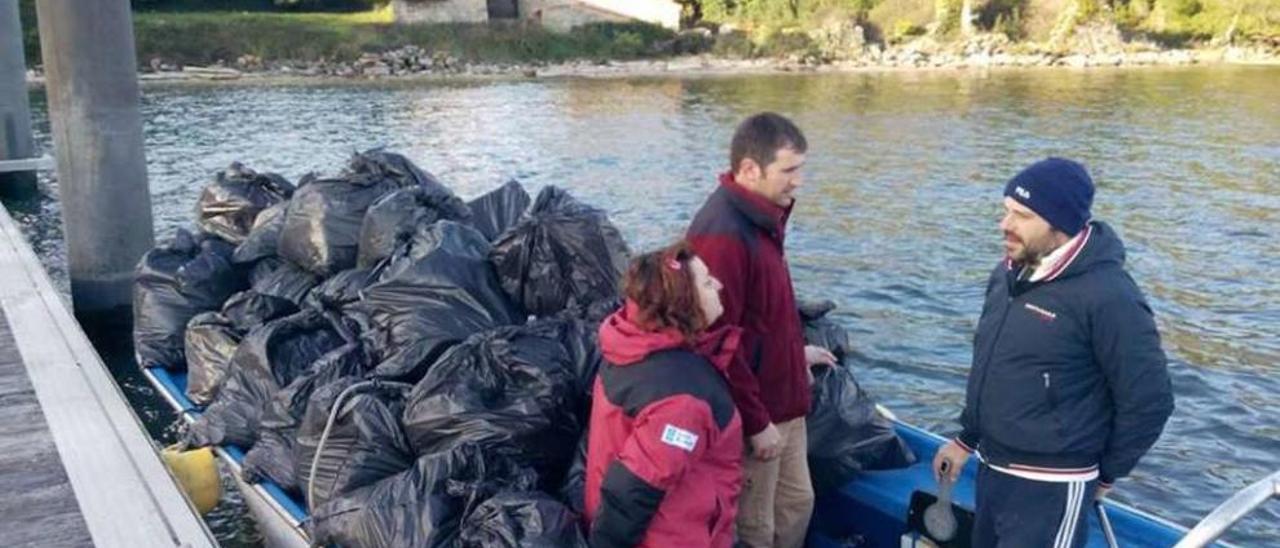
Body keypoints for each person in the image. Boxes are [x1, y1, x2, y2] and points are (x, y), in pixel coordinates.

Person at [933, 157, 1175, 547]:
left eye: (1022, 215)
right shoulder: (1007, 275)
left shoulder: (1110, 297)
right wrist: (967, 439)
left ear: (1059, 224)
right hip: (992, 468)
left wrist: (1107, 473)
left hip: (1051, 486)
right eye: (1006, 210)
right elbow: (992, 364)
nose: (1005, 224)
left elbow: (1150, 401)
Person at [687, 112, 836, 548]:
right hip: (759, 413)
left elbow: (766, 312)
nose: (798, 181)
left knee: (797, 503)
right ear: (750, 169)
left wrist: (797, 353)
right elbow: (714, 338)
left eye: (800, 169)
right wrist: (755, 423)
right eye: (789, 170)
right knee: (756, 527)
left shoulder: (764, 219)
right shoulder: (723, 235)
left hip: (787, 399)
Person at [585, 241, 745, 548]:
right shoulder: (681, 400)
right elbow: (633, 488)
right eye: (708, 283)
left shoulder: (629, 342)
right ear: (686, 302)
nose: (720, 285)